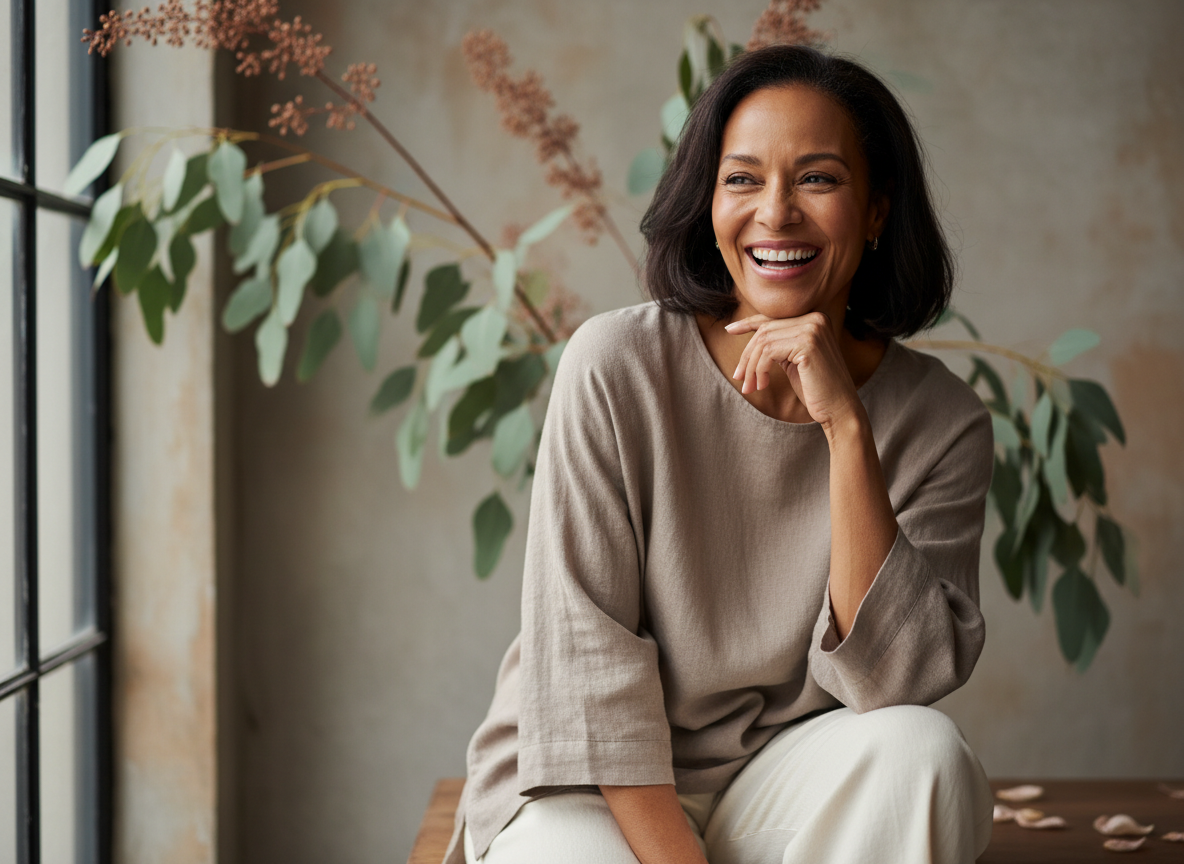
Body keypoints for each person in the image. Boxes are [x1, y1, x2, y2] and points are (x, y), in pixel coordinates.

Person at [445, 44, 995, 864]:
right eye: (742, 179)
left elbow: (894, 683)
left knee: (926, 754)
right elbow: (588, 667)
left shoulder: (943, 420)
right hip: (586, 784)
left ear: (877, 210)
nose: (775, 213)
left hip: (781, 777)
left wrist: (847, 427)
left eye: (818, 178)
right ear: (708, 202)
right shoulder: (615, 365)